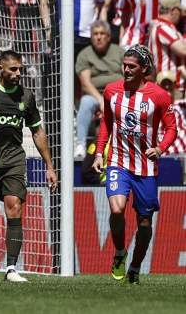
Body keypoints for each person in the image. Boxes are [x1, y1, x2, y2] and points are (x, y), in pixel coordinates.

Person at [0, 50, 57, 283]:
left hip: (14, 160)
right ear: (0, 67)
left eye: (21, 69)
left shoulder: (26, 96)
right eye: (13, 69)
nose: (19, 73)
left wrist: (49, 166)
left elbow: (37, 131)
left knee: (14, 207)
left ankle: (11, 268)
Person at [92, 45, 177, 284]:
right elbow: (107, 124)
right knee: (117, 209)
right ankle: (120, 252)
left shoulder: (159, 96)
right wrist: (100, 153)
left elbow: (172, 128)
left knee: (145, 222)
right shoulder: (111, 91)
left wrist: (160, 148)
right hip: (118, 161)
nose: (126, 70)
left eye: (132, 66)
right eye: (125, 65)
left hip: (146, 168)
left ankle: (136, 267)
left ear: (144, 69)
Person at [75, 20, 125, 158]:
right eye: (95, 34)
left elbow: (128, 76)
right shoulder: (85, 54)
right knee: (85, 102)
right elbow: (85, 84)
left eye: (102, 33)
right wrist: (102, 100)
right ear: (91, 37)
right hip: (95, 95)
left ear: (108, 36)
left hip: (118, 94)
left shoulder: (119, 52)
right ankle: (80, 144)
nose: (98, 37)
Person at [148, 0, 186, 94]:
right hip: (169, 87)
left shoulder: (167, 27)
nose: (181, 15)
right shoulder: (162, 27)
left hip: (175, 86)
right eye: (180, 11)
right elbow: (183, 51)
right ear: (173, 10)